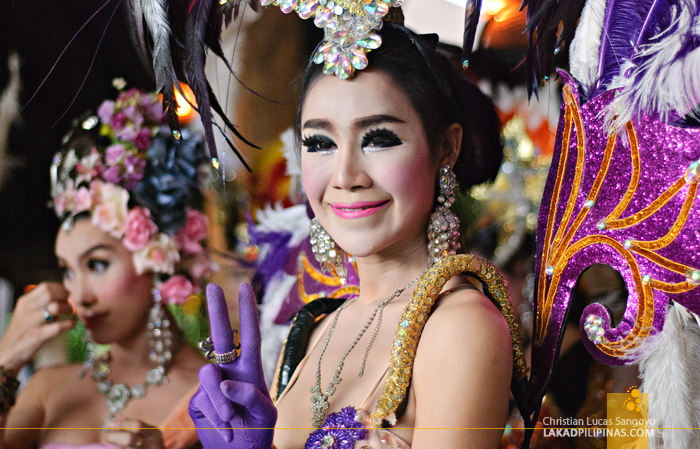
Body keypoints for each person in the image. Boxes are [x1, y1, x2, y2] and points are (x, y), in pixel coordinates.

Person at [189, 24, 528, 449]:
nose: (346, 176)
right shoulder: (314, 328)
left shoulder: (461, 326)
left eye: (379, 139)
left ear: (446, 148)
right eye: (319, 143)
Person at [0, 87, 211, 449]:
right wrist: (7, 360)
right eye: (67, 270)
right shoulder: (47, 389)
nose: (78, 295)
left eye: (97, 264)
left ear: (157, 257)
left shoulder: (213, 399)